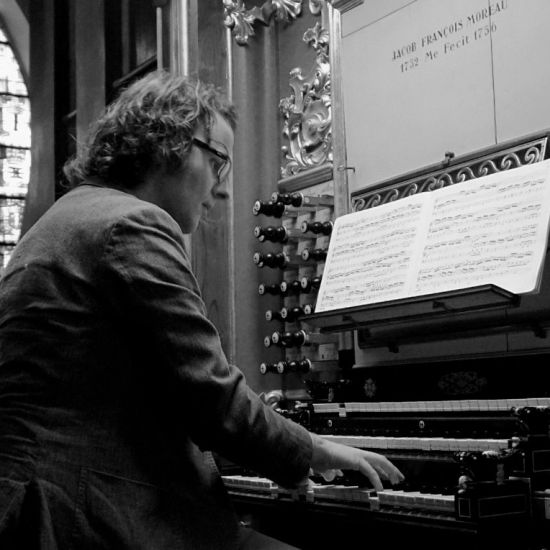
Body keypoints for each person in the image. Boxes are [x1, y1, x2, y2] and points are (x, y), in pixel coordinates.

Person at [0, 70, 404, 549]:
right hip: (83, 512)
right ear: (169, 142)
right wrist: (310, 450)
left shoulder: (73, 217)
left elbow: (153, 400)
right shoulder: (129, 224)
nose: (224, 190)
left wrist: (271, 452)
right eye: (219, 163)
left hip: (48, 498)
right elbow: (210, 399)